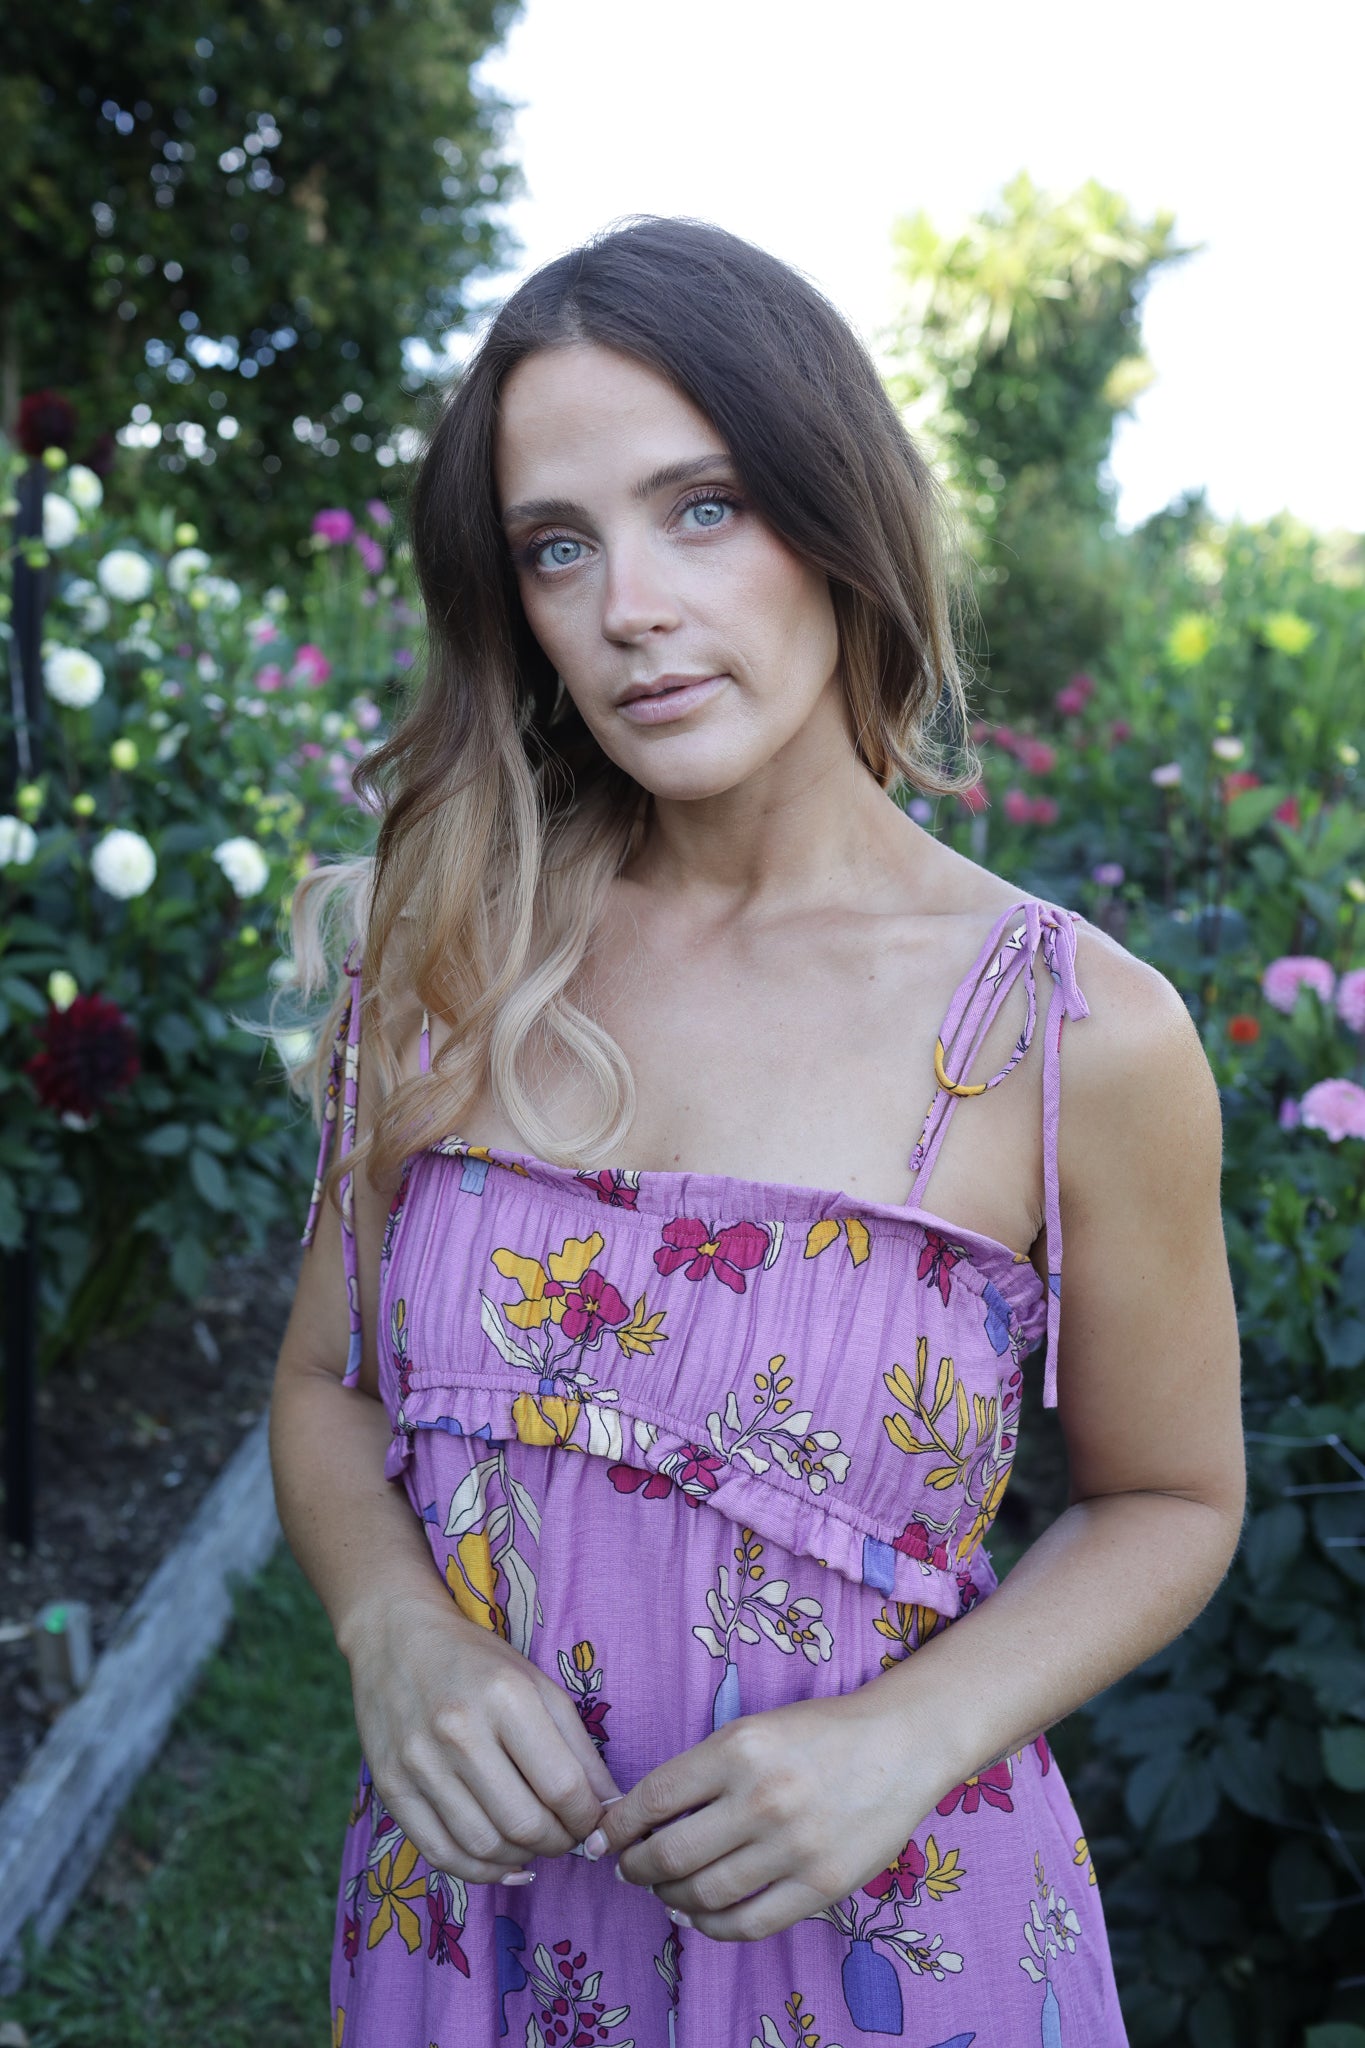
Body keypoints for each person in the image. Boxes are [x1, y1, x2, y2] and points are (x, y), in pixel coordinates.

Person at [269, 215, 1245, 2048]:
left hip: (884, 1945)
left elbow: (1172, 1500)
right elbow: (326, 1384)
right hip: (474, 1931)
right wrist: (390, 1632)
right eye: (558, 547)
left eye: (700, 508)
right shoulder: (453, 957)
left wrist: (906, 1737)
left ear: (835, 515)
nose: (628, 605)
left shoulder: (1065, 1031)